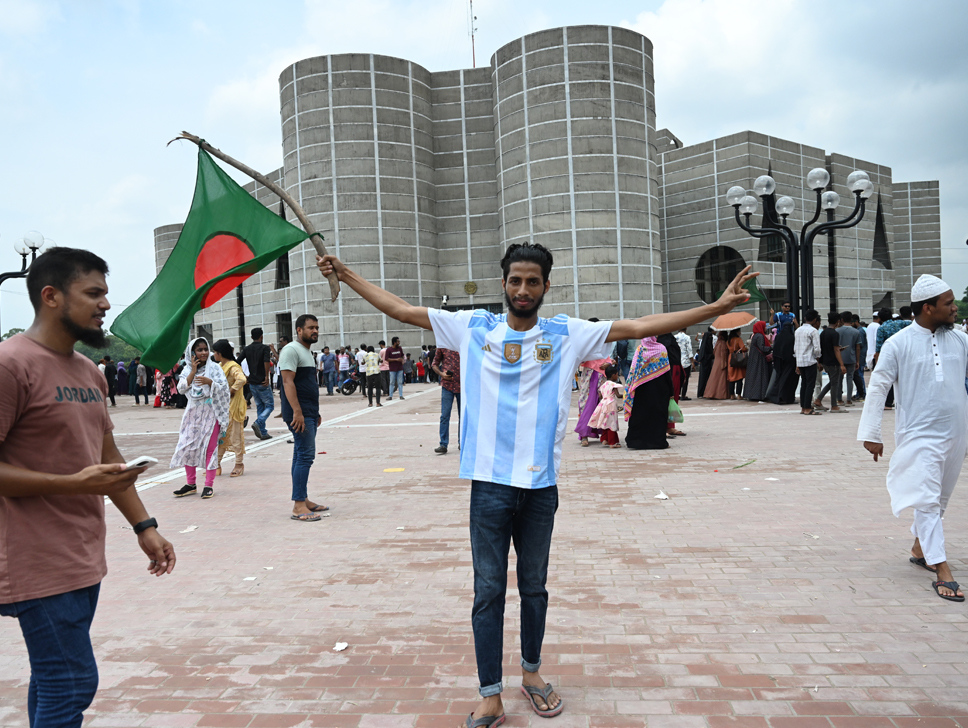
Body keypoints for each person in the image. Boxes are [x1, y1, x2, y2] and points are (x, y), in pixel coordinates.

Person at [316, 242, 755, 727]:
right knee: (487, 591)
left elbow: (639, 326)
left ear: (546, 286)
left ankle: (531, 674)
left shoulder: (566, 333)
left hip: (540, 487)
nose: (523, 289)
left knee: (534, 587)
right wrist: (347, 272)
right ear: (503, 284)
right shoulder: (474, 327)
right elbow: (399, 309)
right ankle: (490, 693)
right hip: (488, 485)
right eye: (515, 280)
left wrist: (714, 309)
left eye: (532, 281)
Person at [0, 247, 176, 728]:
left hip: (80, 552)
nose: (104, 304)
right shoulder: (11, 364)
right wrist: (69, 483)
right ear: (51, 296)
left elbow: (109, 461)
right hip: (30, 556)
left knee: (54, 678)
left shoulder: (89, 373)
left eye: (105, 293)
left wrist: (145, 525)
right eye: (93, 293)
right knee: (72, 681)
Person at [859, 275, 968, 602]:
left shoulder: (960, 339)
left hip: (956, 433)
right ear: (928, 307)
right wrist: (871, 432)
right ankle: (941, 566)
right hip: (919, 434)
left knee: (941, 498)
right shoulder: (899, 343)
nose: (955, 308)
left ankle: (921, 548)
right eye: (948, 304)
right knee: (926, 498)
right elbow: (878, 386)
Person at [280, 315, 328, 522]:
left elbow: (306, 384)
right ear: (299, 330)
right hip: (298, 413)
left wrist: (313, 412)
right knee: (306, 456)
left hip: (307, 411)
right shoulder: (291, 349)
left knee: (300, 455)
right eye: (310, 328)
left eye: (316, 327)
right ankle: (299, 505)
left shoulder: (307, 351)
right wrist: (298, 413)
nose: (315, 331)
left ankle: (303, 499)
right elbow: (287, 382)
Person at [170, 338, 230, 499]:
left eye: (205, 349)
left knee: (210, 449)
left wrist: (210, 382)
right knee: (187, 445)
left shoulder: (215, 368)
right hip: (192, 414)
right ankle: (190, 484)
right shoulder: (186, 370)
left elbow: (225, 390)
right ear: (192, 353)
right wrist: (193, 372)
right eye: (199, 350)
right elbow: (182, 389)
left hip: (212, 413)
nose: (203, 353)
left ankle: (208, 485)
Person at [624, 336, 674, 450]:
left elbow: (633, 371)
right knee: (658, 415)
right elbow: (667, 371)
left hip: (641, 389)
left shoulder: (640, 350)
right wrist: (671, 390)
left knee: (640, 414)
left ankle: (636, 441)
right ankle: (658, 442)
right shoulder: (661, 348)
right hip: (660, 389)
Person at [212, 339, 246, 478]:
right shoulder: (220, 365)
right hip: (222, 407)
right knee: (221, 436)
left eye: (214, 352)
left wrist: (232, 390)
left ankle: (239, 463)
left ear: (220, 353)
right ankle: (217, 464)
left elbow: (242, 379)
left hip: (234, 406)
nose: (213, 354)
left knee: (235, 435)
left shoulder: (232, 366)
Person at [875, 305, 914, 410]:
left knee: (889, 380)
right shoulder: (901, 323)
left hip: (889, 356)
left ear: (880, 318)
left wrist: (877, 361)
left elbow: (879, 347)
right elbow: (913, 324)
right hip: (905, 354)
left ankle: (888, 403)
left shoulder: (881, 328)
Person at [241, 328, 274, 440]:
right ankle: (258, 422)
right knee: (269, 405)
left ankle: (263, 432)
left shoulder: (247, 349)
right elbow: (266, 361)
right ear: (262, 336)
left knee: (260, 406)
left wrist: (244, 376)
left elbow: (237, 361)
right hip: (262, 381)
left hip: (252, 382)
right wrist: (266, 376)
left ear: (251, 337)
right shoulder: (265, 348)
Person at [793, 310, 823, 415]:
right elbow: (817, 348)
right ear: (815, 319)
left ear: (805, 318)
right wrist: (818, 359)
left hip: (800, 361)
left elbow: (795, 348)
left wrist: (797, 362)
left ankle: (803, 407)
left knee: (804, 384)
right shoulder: (813, 331)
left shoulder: (798, 330)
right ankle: (807, 408)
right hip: (810, 360)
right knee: (810, 384)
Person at [815, 313, 847, 413]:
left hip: (825, 361)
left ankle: (818, 400)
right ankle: (834, 405)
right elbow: (836, 350)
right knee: (834, 383)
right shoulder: (834, 333)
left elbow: (821, 349)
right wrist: (842, 364)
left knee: (833, 381)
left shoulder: (823, 333)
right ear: (837, 322)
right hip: (833, 362)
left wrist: (819, 362)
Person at [433, 347, 461, 454]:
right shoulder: (442, 345)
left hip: (462, 386)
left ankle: (462, 442)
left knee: (463, 416)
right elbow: (434, 364)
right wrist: (441, 374)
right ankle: (443, 444)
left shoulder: (463, 341)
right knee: (445, 415)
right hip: (447, 386)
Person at [589, 363, 624, 448]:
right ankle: (612, 443)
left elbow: (600, 396)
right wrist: (626, 395)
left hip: (603, 404)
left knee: (605, 422)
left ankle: (604, 439)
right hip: (611, 405)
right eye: (616, 375)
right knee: (612, 423)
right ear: (613, 375)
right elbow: (618, 395)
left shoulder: (603, 385)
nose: (617, 376)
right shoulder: (613, 385)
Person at [837, 310, 864, 406]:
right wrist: (857, 360)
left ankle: (839, 399)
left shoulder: (837, 331)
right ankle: (848, 399)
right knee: (850, 378)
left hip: (839, 358)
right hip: (851, 357)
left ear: (842, 319)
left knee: (839, 379)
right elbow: (857, 347)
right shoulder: (856, 331)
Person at [574, 361, 603, 447]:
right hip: (589, 374)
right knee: (586, 404)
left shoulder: (604, 347)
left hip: (601, 374)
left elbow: (607, 357)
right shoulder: (588, 347)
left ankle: (606, 436)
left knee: (602, 404)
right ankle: (584, 435)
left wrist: (609, 363)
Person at [744, 321, 772, 401]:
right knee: (760, 376)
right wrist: (771, 348)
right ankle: (759, 395)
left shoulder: (755, 336)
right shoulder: (760, 336)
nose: (766, 328)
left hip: (754, 359)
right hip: (759, 360)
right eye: (764, 326)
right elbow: (762, 348)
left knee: (754, 377)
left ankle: (752, 394)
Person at [703, 332, 729, 400]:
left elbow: (714, 352)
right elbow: (724, 354)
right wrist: (725, 363)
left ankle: (710, 393)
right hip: (721, 362)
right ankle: (719, 394)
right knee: (721, 380)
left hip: (716, 362)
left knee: (714, 378)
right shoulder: (723, 343)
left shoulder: (718, 343)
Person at [725, 328, 747, 399]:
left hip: (731, 358)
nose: (740, 333)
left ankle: (732, 395)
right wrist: (746, 348)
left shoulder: (728, 341)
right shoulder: (738, 339)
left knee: (731, 377)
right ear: (737, 332)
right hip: (737, 358)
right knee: (739, 377)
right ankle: (739, 395)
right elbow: (743, 348)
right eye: (739, 332)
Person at [695, 326, 715, 398]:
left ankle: (704, 392)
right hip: (706, 362)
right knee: (704, 378)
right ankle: (702, 392)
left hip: (705, 362)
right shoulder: (707, 345)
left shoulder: (704, 344)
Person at [674, 329, 693, 400]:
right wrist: (692, 362)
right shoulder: (687, 337)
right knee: (686, 378)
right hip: (686, 362)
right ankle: (683, 395)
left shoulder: (674, 337)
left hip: (677, 361)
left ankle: (677, 394)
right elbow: (689, 350)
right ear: (686, 329)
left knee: (677, 378)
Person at [386, 336, 406, 400]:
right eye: (398, 341)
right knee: (392, 382)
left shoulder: (400, 348)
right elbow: (387, 359)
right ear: (394, 342)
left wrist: (402, 360)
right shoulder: (389, 350)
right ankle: (390, 396)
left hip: (400, 368)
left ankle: (401, 395)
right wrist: (396, 360)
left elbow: (402, 355)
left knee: (400, 382)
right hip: (392, 369)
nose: (399, 342)